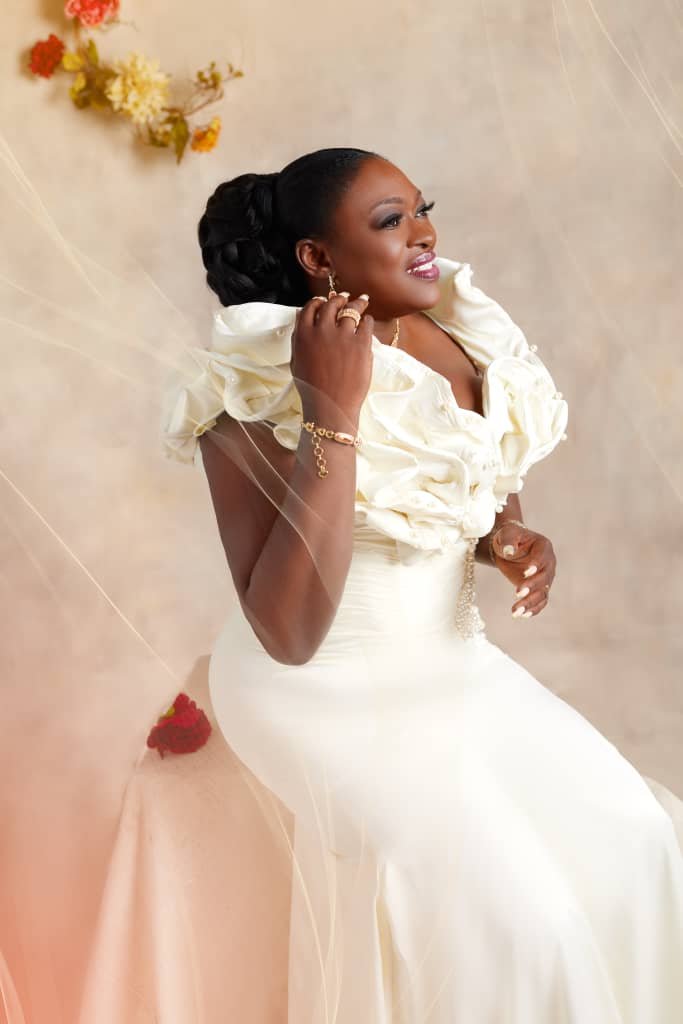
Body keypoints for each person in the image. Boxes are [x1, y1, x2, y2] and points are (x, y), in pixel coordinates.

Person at [162, 147, 683, 1022]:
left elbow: (465, 481)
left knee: (639, 841)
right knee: (524, 925)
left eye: (420, 208)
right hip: (320, 690)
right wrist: (331, 410)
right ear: (317, 259)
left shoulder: (455, 333)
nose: (424, 233)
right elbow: (288, 632)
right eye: (389, 220)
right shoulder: (252, 384)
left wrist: (502, 540)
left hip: (453, 665)